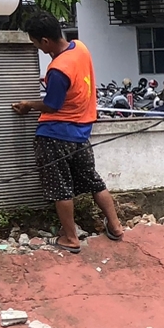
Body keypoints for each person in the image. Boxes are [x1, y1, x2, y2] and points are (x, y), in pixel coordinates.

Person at [13, 13, 126, 253]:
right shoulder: (80, 48)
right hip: (81, 133)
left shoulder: (58, 70)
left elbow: (52, 104)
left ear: (45, 41)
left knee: (60, 188)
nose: (37, 48)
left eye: (36, 43)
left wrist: (29, 105)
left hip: (54, 135)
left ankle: (71, 239)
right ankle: (116, 226)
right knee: (94, 181)